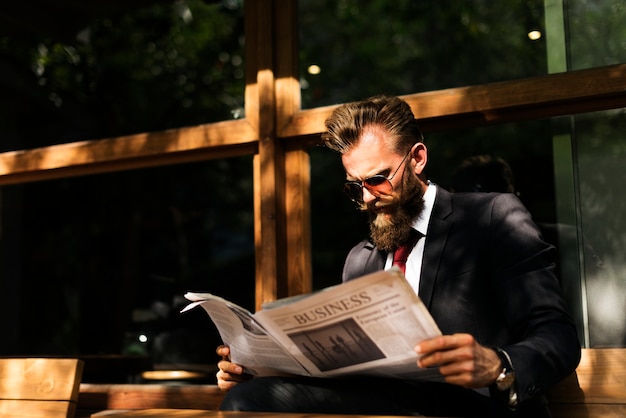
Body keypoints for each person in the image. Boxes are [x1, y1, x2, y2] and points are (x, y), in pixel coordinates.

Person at [215, 95, 581, 417]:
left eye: (377, 180)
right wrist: (261, 369)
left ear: (418, 158)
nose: (368, 198)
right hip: (387, 410)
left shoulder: (490, 218)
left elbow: (557, 335)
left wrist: (498, 367)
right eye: (355, 186)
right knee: (251, 398)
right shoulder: (360, 259)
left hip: (474, 409)